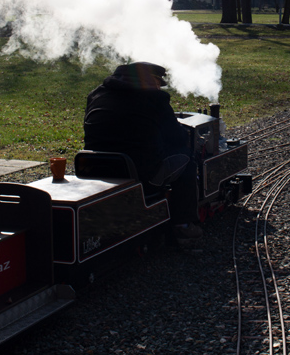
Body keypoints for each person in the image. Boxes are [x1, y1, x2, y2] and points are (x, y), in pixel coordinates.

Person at [83, 62, 202, 243]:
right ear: (149, 80)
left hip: (94, 170)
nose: (158, 87)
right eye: (158, 83)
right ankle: (183, 225)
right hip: (142, 175)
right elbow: (178, 138)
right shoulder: (155, 98)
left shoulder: (96, 95)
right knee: (187, 160)